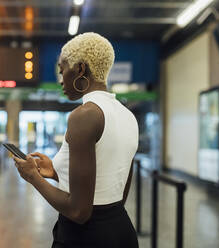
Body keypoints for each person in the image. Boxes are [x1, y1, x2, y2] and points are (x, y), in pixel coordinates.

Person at [13, 32, 139, 248]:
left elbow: (79, 211)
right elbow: (113, 187)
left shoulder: (84, 115)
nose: (61, 80)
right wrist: (55, 171)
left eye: (63, 71)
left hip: (85, 237)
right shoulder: (127, 116)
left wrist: (33, 177)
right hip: (121, 231)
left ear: (80, 69)